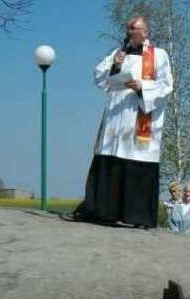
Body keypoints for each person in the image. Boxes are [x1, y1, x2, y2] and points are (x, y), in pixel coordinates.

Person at [65, 15, 173, 228]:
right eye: (128, 28)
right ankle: (103, 212)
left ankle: (138, 217)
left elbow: (167, 85)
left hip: (140, 116)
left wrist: (142, 86)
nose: (129, 31)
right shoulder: (118, 53)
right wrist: (114, 67)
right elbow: (99, 77)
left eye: (133, 28)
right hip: (116, 118)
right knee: (110, 161)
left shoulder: (158, 55)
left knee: (137, 160)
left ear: (145, 32)